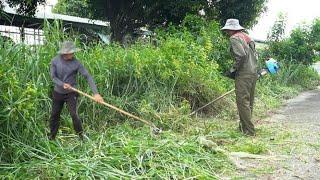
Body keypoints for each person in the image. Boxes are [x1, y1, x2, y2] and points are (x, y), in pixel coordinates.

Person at [49, 41, 104, 140]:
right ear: (65, 53)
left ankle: (81, 136)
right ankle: (52, 137)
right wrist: (62, 84)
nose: (73, 54)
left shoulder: (76, 63)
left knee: (74, 114)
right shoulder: (55, 61)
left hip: (71, 92)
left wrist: (96, 93)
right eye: (71, 52)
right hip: (58, 92)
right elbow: (53, 77)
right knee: (54, 114)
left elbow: (88, 76)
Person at [222, 19, 258, 136]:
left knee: (242, 102)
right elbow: (255, 56)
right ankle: (244, 128)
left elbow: (241, 55)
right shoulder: (247, 37)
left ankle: (249, 131)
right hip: (253, 72)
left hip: (244, 73)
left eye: (228, 30)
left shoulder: (234, 38)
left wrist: (233, 69)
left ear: (231, 29)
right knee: (249, 101)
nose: (227, 32)